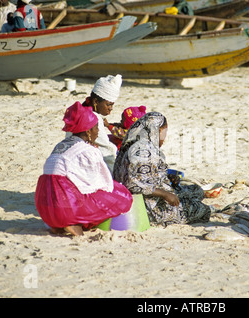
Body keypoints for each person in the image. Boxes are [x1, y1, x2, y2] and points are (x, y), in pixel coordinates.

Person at [35, 102, 133, 236]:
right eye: (96, 128)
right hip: (66, 208)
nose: (98, 131)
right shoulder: (88, 151)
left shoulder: (61, 145)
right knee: (122, 196)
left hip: (46, 208)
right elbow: (100, 184)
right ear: (88, 131)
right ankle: (73, 223)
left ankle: (58, 225)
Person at [113, 112, 211, 226]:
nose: (164, 138)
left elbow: (143, 174)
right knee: (203, 210)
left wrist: (166, 177)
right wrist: (165, 194)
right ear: (156, 131)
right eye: (163, 132)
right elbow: (134, 185)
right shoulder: (142, 151)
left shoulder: (136, 143)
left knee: (196, 190)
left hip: (152, 195)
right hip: (146, 207)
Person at [67, 75, 123, 173]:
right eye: (108, 104)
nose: (111, 108)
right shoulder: (93, 118)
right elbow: (106, 150)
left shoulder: (78, 110)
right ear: (96, 101)